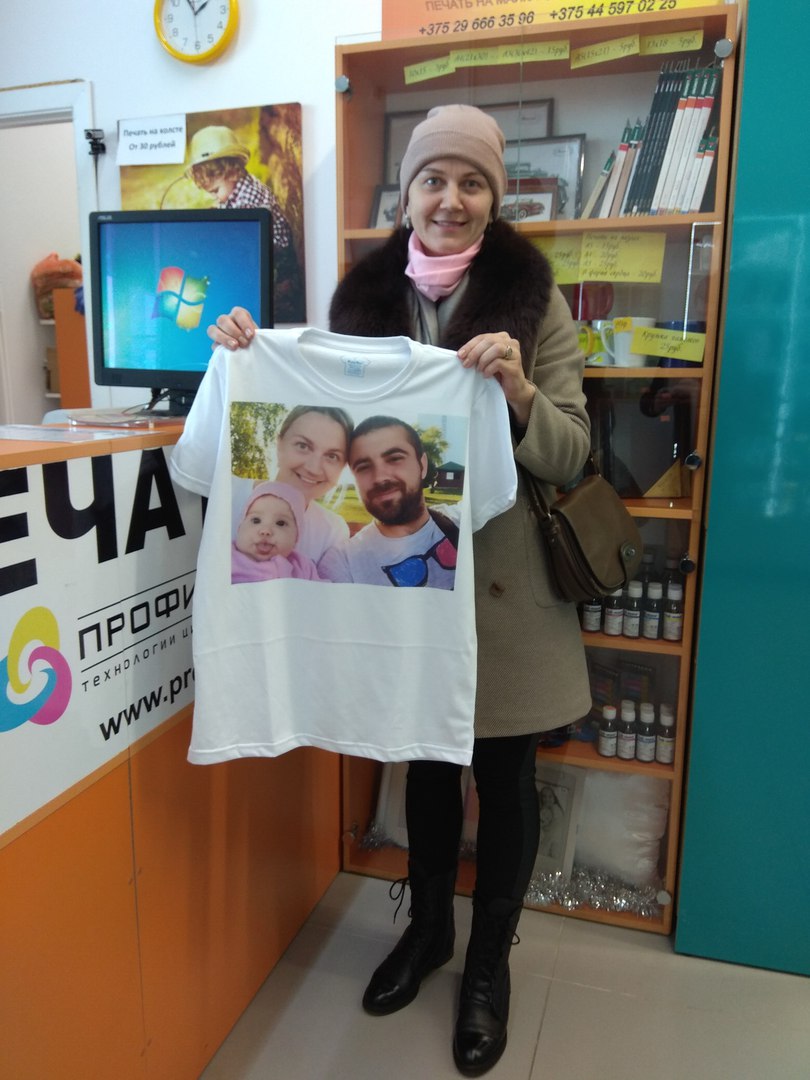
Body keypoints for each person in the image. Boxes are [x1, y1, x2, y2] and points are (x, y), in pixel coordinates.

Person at [208, 104, 591, 1077]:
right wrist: (246, 346)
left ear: (494, 197)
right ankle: (427, 931)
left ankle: (490, 963)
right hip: (400, 592)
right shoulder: (361, 299)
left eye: (472, 183)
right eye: (433, 180)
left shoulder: (536, 304)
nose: (450, 200)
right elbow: (311, 409)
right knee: (421, 762)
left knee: (503, 780)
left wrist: (519, 394)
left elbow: (572, 452)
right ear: (407, 194)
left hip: (503, 593)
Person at [319, 416, 459, 589]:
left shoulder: (460, 521)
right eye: (363, 467)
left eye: (394, 458)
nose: (380, 477)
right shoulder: (343, 563)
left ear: (422, 466)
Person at [185, 125, 304, 322]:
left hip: (273, 256)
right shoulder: (236, 187)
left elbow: (242, 245)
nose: (216, 198)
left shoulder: (248, 201)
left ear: (232, 172)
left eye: (215, 191)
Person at [233, 404, 353, 573]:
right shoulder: (228, 493)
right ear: (279, 445)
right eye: (303, 446)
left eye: (332, 456)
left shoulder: (332, 531)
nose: (313, 468)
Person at [232, 480, 322, 583]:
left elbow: (323, 590)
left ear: (296, 537)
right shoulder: (227, 558)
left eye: (280, 523)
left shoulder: (302, 566)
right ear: (239, 528)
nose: (266, 531)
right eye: (256, 520)